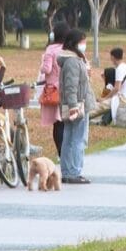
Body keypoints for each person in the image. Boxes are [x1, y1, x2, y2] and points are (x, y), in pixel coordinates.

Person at [57, 29, 96, 184]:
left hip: (75, 104)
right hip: (78, 105)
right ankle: (74, 171)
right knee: (77, 139)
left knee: (68, 138)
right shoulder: (72, 61)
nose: (84, 45)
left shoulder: (73, 59)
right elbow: (70, 86)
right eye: (82, 42)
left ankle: (67, 171)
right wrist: (73, 105)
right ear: (74, 43)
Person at [38, 21, 69, 157]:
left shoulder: (50, 49)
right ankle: (66, 152)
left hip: (54, 91)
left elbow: (47, 69)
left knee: (57, 124)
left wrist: (41, 66)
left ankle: (60, 152)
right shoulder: (68, 49)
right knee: (66, 121)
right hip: (67, 89)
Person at [91, 48, 126, 125]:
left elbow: (117, 88)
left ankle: (82, 116)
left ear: (112, 57)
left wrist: (105, 98)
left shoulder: (120, 69)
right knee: (104, 104)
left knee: (101, 105)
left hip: (123, 99)